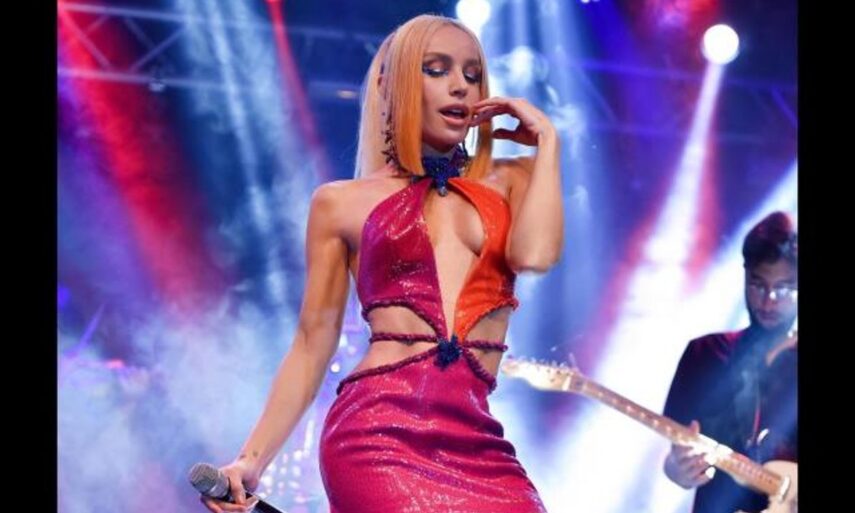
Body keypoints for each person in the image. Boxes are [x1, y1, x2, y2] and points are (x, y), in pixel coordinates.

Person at [200, 14, 563, 513]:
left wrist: (548, 141)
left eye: (472, 74)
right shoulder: (340, 202)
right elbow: (311, 342)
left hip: (480, 442)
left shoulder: (513, 179)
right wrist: (250, 461)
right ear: (393, 87)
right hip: (377, 439)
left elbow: (535, 255)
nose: (460, 85)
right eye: (436, 69)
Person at [662, 211, 798, 513]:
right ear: (745, 275)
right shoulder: (704, 353)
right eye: (758, 285)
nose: (768, 301)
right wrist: (677, 470)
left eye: (784, 289)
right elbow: (674, 455)